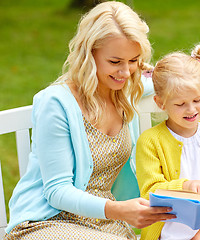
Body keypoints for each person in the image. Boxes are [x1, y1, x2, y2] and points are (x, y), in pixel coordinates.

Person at [4, 1, 175, 239]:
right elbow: (57, 191)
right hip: (46, 222)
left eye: (134, 60)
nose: (125, 72)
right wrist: (118, 210)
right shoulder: (56, 103)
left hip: (105, 223)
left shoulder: (125, 91)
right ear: (89, 54)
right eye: (115, 62)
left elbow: (171, 79)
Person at [135, 44, 200, 240]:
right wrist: (185, 186)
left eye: (197, 100)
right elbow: (150, 191)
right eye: (180, 104)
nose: (191, 110)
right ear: (160, 103)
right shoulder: (150, 141)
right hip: (166, 230)